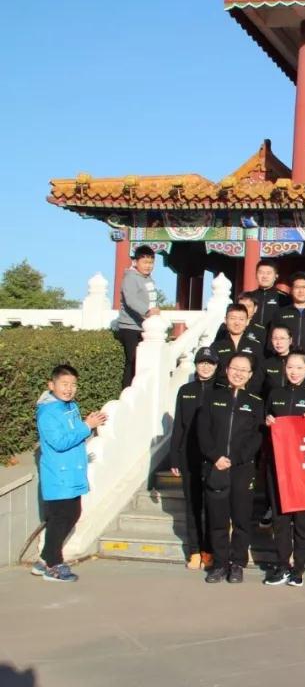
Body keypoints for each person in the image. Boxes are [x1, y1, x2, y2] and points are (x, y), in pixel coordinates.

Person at [33, 364, 108, 582]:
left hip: (73, 473)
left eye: (73, 384)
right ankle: (54, 565)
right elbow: (59, 442)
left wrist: (88, 424)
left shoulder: (70, 406)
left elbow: (74, 434)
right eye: (64, 384)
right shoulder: (48, 413)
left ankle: (44, 560)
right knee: (61, 518)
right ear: (51, 385)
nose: (69, 389)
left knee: (72, 514)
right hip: (59, 475)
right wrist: (87, 426)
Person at [263, 350, 305, 587]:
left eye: (299, 367)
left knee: (302, 521)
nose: (294, 372)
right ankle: (282, 565)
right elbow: (265, 422)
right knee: (280, 519)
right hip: (278, 465)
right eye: (290, 367)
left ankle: (298, 569)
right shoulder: (275, 394)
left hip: (304, 469)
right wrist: (268, 422)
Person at [200, 353, 264, 584]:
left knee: (241, 519)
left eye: (244, 370)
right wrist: (215, 456)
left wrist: (235, 458)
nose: (239, 373)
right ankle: (219, 564)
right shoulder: (212, 397)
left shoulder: (255, 402)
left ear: (250, 374)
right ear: (227, 370)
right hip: (215, 466)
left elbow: (256, 437)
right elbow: (203, 431)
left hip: (242, 469)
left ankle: (237, 564)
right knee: (217, 520)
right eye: (235, 368)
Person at [170, 348, 218, 571]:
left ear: (216, 366)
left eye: (210, 363)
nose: (205, 367)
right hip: (189, 456)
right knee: (192, 506)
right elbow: (178, 426)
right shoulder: (185, 391)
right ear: (196, 365)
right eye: (201, 363)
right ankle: (194, 551)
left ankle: (209, 550)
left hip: (213, 458)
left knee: (212, 506)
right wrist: (174, 457)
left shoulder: (221, 390)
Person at [116, 245, 160, 388]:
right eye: (145, 262)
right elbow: (131, 300)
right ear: (135, 262)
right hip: (130, 327)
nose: (148, 266)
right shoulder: (130, 278)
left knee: (144, 362)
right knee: (133, 361)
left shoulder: (148, 279)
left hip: (144, 327)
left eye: (151, 262)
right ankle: (127, 392)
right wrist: (147, 312)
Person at [210, 303, 264, 394]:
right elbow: (212, 373)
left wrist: (248, 392)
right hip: (222, 393)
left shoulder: (256, 346)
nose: (237, 323)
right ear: (225, 320)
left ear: (247, 321)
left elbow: (259, 374)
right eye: (232, 318)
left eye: (241, 319)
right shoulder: (216, 346)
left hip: (248, 394)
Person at [273, 272, 305, 358]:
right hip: (286, 360)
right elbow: (273, 339)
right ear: (291, 290)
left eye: (304, 287)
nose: (301, 291)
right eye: (297, 287)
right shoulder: (281, 313)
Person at [250, 260, 289, 330]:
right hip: (251, 334)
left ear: (276, 276)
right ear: (256, 275)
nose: (264, 276)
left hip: (274, 335)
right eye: (261, 273)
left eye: (268, 273)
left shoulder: (284, 298)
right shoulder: (249, 297)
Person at [261, 325, 293, 398]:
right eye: (275, 338)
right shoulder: (266, 364)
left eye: (282, 338)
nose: (278, 342)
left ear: (290, 340)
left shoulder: (298, 361)